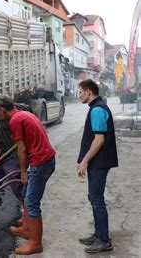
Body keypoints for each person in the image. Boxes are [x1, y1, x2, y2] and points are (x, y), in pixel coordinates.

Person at [0, 94, 56, 255]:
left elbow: (21, 149)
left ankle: (35, 243)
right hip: (45, 159)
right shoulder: (24, 113)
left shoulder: (14, 120)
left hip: (41, 162)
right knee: (26, 194)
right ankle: (27, 229)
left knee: (31, 203)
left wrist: (23, 171)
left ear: (2, 111)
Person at [76, 79, 118, 253]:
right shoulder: (96, 107)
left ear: (88, 92)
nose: (79, 95)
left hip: (99, 163)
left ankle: (104, 240)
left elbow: (99, 139)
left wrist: (85, 160)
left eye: (80, 92)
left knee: (97, 199)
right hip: (98, 162)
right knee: (94, 198)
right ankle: (99, 233)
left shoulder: (98, 109)